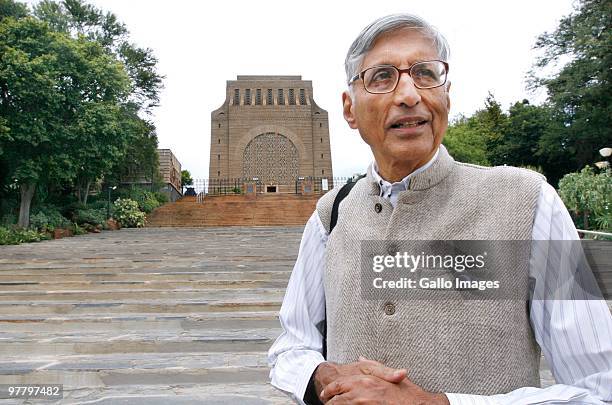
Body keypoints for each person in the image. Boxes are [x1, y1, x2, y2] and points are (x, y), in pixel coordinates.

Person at [268, 13, 612, 405]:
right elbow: (291, 346)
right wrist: (320, 375)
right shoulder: (331, 216)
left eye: (426, 74)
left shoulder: (527, 204)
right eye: (381, 77)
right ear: (349, 109)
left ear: (446, 94)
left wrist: (438, 403)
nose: (408, 95)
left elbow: (601, 387)